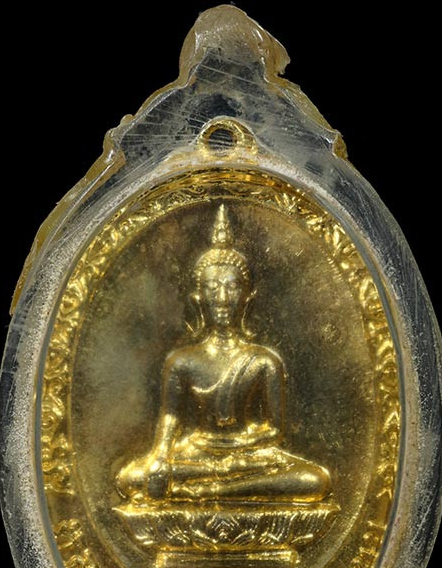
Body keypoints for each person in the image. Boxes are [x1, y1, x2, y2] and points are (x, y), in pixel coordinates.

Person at [115, 204, 330, 504]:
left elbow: (275, 430)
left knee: (314, 480)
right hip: (197, 453)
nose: (222, 298)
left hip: (249, 456)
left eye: (232, 288)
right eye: (213, 288)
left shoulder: (263, 361)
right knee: (131, 478)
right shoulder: (182, 361)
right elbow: (170, 417)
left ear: (247, 297)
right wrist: (161, 457)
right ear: (198, 297)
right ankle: (223, 486)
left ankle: (214, 491)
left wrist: (240, 446)